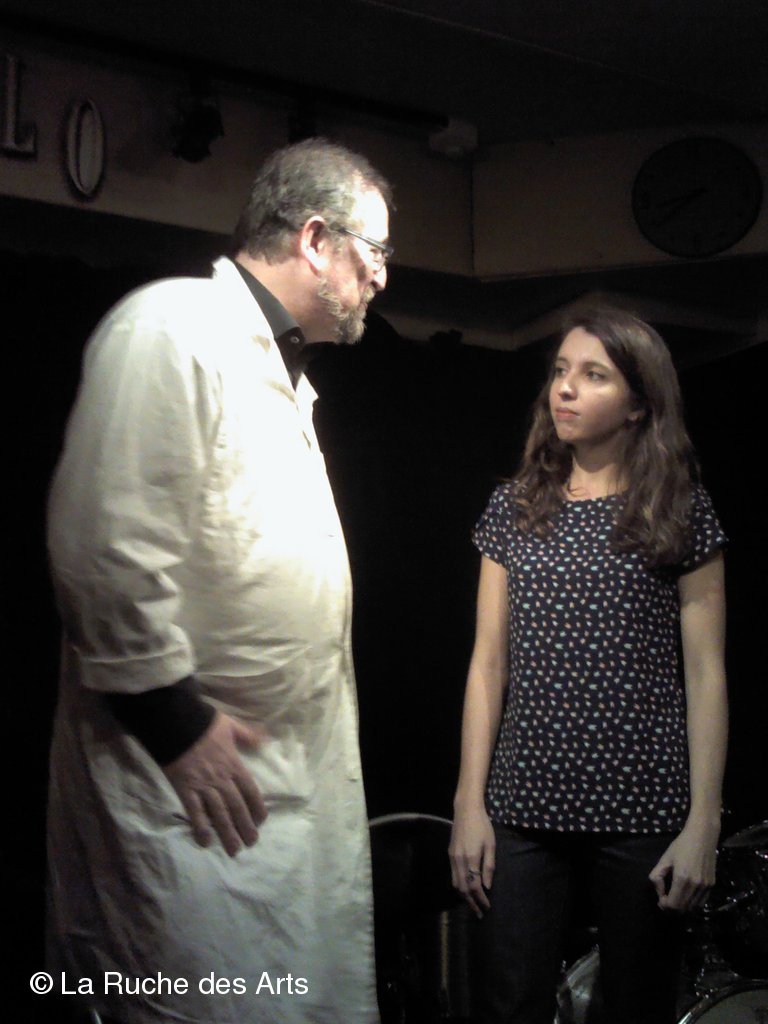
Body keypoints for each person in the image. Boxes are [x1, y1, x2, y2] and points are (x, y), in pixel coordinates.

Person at [46, 137, 393, 1024]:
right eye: (374, 250)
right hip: (183, 798)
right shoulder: (174, 327)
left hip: (268, 797)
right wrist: (175, 722)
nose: (382, 276)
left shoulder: (283, 378)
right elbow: (102, 544)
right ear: (315, 239)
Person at [448, 307, 728, 1024]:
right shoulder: (515, 507)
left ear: (638, 404)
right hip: (523, 808)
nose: (565, 389)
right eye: (561, 372)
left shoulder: (679, 509)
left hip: (642, 808)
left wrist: (703, 822)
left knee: (635, 1007)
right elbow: (487, 664)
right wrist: (469, 805)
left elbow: (706, 674)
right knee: (507, 1004)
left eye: (594, 375)